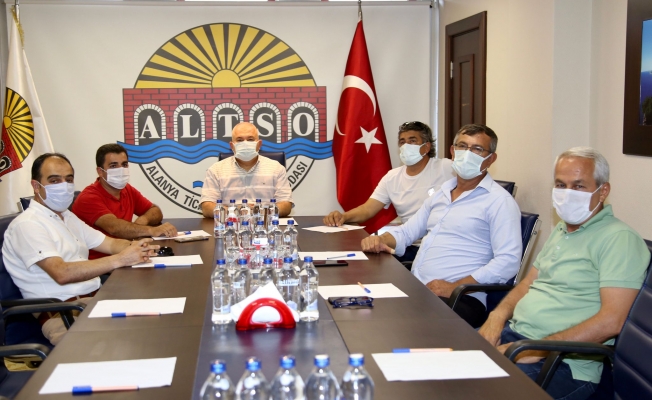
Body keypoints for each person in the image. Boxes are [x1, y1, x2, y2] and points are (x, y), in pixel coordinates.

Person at [478, 147, 650, 400]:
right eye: (560, 184)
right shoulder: (562, 230)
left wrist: (539, 349)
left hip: (562, 361)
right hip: (516, 337)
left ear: (603, 191)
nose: (567, 193)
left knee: (474, 392)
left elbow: (612, 321)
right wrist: (496, 317)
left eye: (578, 186)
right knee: (440, 366)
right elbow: (528, 283)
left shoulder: (619, 239)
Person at [361, 124, 522, 328]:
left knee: (391, 323)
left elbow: (508, 261)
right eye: (462, 146)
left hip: (461, 297)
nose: (468, 153)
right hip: (420, 288)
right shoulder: (442, 193)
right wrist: (379, 240)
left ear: (491, 159)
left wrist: (455, 286)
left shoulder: (499, 201)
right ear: (453, 151)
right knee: (361, 305)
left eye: (477, 149)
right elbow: (408, 231)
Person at [2, 153, 159, 345]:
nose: (64, 186)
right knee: (132, 345)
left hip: (95, 301)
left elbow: (110, 244)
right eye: (54, 180)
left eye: (68, 179)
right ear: (36, 186)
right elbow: (62, 273)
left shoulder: (67, 217)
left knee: (158, 323)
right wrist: (121, 259)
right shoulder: (27, 225)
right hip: (63, 314)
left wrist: (140, 248)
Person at [323, 121, 454, 264]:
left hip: (441, 247)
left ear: (426, 147)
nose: (406, 146)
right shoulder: (392, 177)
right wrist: (342, 217)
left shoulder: (446, 168)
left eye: (412, 141)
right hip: (409, 245)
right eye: (402, 142)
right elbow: (367, 209)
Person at [72, 143, 177, 259]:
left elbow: (155, 211)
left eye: (124, 164)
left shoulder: (127, 189)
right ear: (100, 171)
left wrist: (142, 220)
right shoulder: (88, 197)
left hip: (126, 255)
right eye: (113, 166)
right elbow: (114, 228)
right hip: (99, 263)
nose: (120, 170)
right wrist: (152, 230)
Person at [200, 122, 293, 218]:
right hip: (230, 224)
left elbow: (286, 205)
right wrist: (235, 211)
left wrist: (260, 211)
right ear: (232, 146)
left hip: (265, 224)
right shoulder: (216, 170)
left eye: (250, 139)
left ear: (259, 144)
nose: (245, 143)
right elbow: (206, 207)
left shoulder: (276, 168)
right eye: (239, 140)